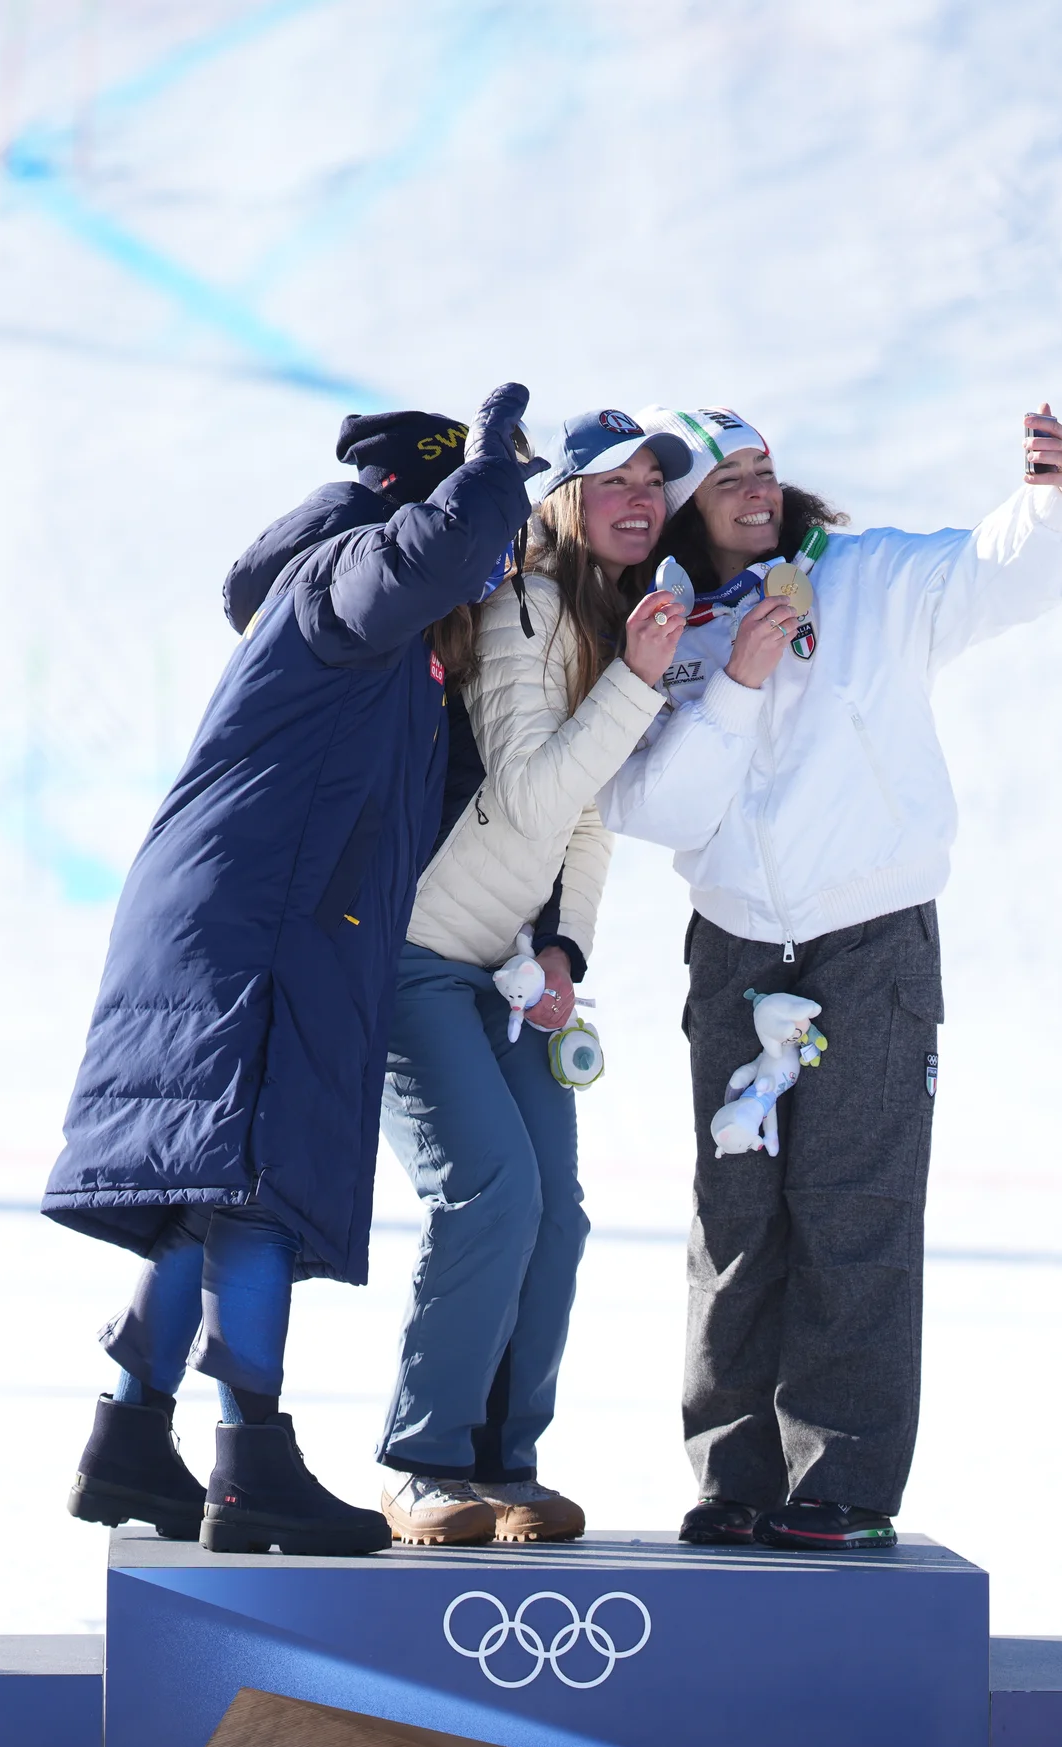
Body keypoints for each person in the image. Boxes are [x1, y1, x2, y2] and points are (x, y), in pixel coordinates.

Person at [46, 384, 540, 1557]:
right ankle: (250, 1467)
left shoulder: (376, 652)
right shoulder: (346, 579)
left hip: (251, 914)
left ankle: (131, 1438)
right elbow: (423, 551)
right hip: (258, 923)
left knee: (214, 1185)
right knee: (256, 1182)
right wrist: (487, 470)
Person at [604, 402, 1062, 1551]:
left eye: (765, 468)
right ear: (681, 502)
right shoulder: (661, 632)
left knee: (856, 1213)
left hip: (870, 941)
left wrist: (1056, 501)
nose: (757, 486)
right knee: (735, 1221)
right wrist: (732, 674)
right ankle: (734, 1481)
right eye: (727, 475)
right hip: (734, 948)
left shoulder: (868, 578)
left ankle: (842, 1487)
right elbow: (656, 808)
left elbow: (996, 576)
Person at [374, 409, 695, 1546]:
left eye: (658, 481)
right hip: (415, 952)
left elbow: (590, 829)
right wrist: (638, 687)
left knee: (556, 1215)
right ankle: (423, 1461)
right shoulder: (525, 605)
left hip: (507, 968)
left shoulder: (605, 624)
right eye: (617, 478)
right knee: (491, 1193)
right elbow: (526, 794)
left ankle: (504, 1467)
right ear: (562, 496)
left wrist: (565, 952)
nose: (644, 496)